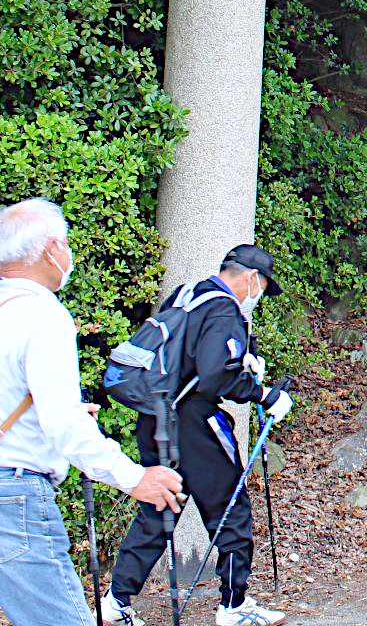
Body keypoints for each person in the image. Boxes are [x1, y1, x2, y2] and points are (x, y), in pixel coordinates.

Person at [0, 198, 184, 626]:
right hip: (9, 496)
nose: (68, 254)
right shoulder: (44, 315)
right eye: (64, 244)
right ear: (50, 250)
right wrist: (136, 477)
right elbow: (63, 425)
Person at [104, 244, 295, 626]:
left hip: (156, 417)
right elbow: (215, 375)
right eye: (261, 287)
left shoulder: (188, 293)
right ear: (250, 278)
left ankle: (115, 601)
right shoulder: (224, 308)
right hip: (195, 423)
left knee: (160, 505)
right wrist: (264, 394)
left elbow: (192, 356)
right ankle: (234, 605)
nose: (259, 296)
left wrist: (247, 357)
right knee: (231, 508)